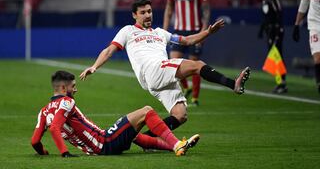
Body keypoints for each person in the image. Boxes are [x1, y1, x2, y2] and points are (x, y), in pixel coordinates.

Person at [80, 0, 250, 135]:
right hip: (152, 70)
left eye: (149, 11)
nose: (148, 15)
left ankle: (147, 139)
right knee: (197, 65)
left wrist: (208, 32)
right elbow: (109, 50)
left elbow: (188, 40)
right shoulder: (128, 31)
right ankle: (232, 84)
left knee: (180, 115)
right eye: (143, 12)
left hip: (159, 77)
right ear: (134, 15)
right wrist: (94, 66)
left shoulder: (161, 33)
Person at [31, 70, 200, 157]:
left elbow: (35, 141)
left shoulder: (43, 112)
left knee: (132, 134)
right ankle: (177, 145)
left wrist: (43, 152)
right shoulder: (67, 102)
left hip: (96, 148)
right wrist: (64, 153)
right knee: (147, 111)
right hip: (104, 142)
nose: (75, 89)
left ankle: (172, 147)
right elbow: (55, 128)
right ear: (62, 88)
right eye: (73, 86)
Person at [163, 0, 210, 106]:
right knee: (173, 62)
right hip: (178, 31)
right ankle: (186, 87)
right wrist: (164, 31)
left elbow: (206, 11)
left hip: (195, 30)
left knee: (195, 65)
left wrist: (204, 31)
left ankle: (195, 98)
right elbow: (169, 9)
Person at [258, 0, 288, 93]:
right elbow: (266, 17)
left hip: (275, 31)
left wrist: (279, 30)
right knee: (275, 56)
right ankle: (279, 82)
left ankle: (282, 83)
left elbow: (279, 14)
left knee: (277, 56)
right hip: (269, 31)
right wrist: (261, 30)